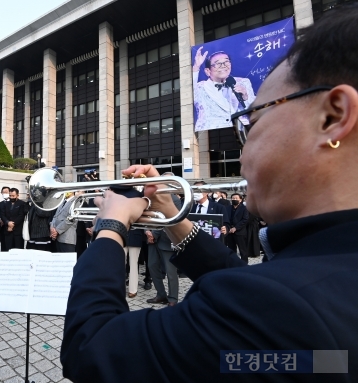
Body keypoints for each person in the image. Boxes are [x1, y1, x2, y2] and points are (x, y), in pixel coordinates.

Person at [61, 6, 358, 381]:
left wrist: (109, 226)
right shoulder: (313, 293)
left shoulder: (286, 307)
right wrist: (172, 215)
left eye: (252, 122)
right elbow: (260, 301)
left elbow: (91, 349)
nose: (242, 150)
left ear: (332, 117)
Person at [193, 47, 256, 132]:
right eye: (217, 63)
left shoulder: (243, 82)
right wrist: (196, 66)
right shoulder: (200, 87)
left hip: (240, 130)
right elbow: (187, 92)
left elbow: (254, 110)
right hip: (211, 132)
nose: (223, 66)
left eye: (226, 62)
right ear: (208, 71)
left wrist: (245, 97)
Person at [225, 192, 249, 263]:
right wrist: (228, 228)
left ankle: (244, 263)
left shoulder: (244, 208)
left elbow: (245, 219)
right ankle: (233, 263)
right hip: (229, 232)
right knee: (231, 249)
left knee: (243, 250)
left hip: (240, 232)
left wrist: (236, 228)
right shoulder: (227, 208)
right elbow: (225, 218)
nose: (234, 199)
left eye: (236, 198)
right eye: (233, 198)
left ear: (240, 200)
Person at [0, 186, 10, 251]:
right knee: (3, 243)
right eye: (3, 192)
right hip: (2, 228)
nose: (5, 193)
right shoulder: (0, 204)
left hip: (10, 227)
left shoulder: (12, 203)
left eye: (6, 192)